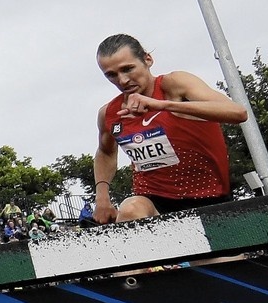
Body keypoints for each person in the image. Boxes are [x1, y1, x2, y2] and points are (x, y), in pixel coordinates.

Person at [90, 34, 248, 222]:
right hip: (154, 202)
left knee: (223, 251)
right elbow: (105, 152)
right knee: (131, 210)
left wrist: (163, 105)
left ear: (147, 59)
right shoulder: (109, 113)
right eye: (111, 75)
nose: (122, 80)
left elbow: (238, 113)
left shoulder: (175, 85)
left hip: (210, 200)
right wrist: (102, 198)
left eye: (128, 69)